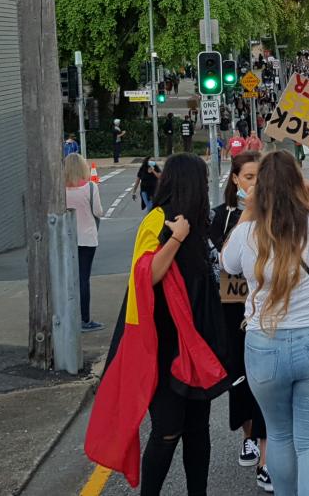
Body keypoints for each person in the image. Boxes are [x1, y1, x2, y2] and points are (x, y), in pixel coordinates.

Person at [85, 153, 229, 495]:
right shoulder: (158, 220)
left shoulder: (200, 223)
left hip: (195, 342)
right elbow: (144, 276)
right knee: (167, 429)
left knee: (198, 428)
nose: (207, 187)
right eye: (203, 180)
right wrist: (176, 238)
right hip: (161, 344)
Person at [221, 151, 309, 496]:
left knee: (279, 435)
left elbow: (228, 263)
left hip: (265, 344)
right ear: (299, 184)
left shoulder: (248, 231)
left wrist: (249, 208)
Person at [208, 151, 271, 492]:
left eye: (260, 177)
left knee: (263, 377)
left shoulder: (272, 216)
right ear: (235, 180)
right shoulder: (220, 217)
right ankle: (248, 435)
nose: (255, 183)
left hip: (262, 309)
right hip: (230, 309)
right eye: (248, 177)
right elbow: (219, 263)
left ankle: (265, 441)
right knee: (238, 376)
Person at [65, 153, 104, 332]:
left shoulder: (60, 189)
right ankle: (85, 319)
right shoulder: (90, 187)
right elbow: (98, 211)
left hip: (66, 238)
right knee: (83, 278)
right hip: (87, 238)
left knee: (67, 279)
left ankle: (67, 317)